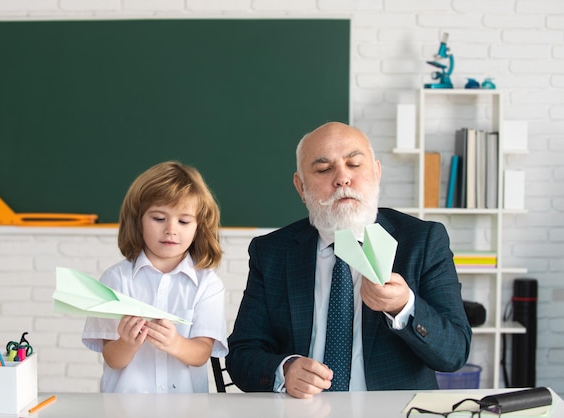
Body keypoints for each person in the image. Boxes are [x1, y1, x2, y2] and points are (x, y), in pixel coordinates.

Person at [225, 122, 472, 398]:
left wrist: (404, 307)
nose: (342, 178)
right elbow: (241, 355)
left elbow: (455, 353)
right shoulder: (271, 252)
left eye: (354, 164)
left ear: (376, 173)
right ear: (301, 187)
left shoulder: (423, 241)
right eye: (323, 169)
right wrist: (285, 370)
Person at [82, 161, 228, 393]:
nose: (171, 229)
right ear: (138, 220)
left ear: (199, 227)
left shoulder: (207, 285)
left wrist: (175, 343)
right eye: (159, 218)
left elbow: (201, 353)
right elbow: (112, 358)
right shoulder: (115, 280)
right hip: (125, 409)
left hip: (186, 409)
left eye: (183, 221)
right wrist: (127, 343)